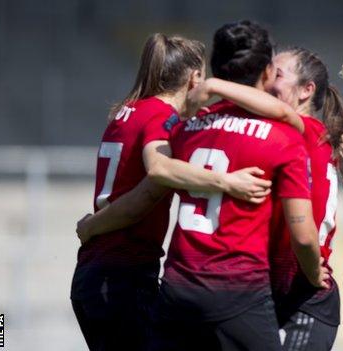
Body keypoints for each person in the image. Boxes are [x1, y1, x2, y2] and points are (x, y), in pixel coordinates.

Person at [149, 20, 327, 351]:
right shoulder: (284, 136)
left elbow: (152, 181)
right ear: (268, 72)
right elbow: (303, 235)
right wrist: (315, 273)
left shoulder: (186, 127)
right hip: (239, 292)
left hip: (177, 287)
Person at [70, 33, 214, 351]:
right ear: (194, 78)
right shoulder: (163, 118)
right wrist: (92, 226)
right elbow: (148, 188)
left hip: (96, 273)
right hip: (122, 275)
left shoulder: (127, 112)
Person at [263, 47, 343, 350]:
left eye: (276, 74)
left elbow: (303, 235)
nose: (265, 81)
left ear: (306, 90)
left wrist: (213, 85)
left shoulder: (303, 132)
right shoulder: (299, 134)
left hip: (304, 289)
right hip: (274, 291)